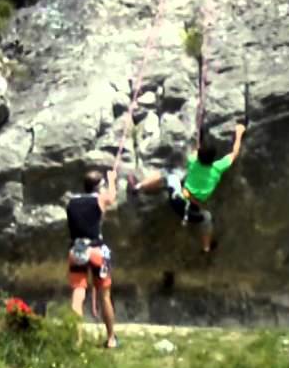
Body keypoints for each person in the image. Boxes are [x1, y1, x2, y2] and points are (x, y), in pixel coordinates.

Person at [129, 122, 246, 254]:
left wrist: (200, 136)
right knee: (207, 219)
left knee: (169, 175)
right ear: (214, 158)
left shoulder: (193, 161)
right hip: (193, 214)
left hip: (177, 201)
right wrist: (239, 134)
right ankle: (206, 248)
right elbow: (234, 153)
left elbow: (196, 149)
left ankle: (139, 187)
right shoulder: (218, 168)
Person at [66, 169, 118, 348]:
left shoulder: (71, 202)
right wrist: (112, 180)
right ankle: (111, 338)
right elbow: (111, 197)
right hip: (96, 250)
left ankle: (76, 340)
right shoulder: (100, 199)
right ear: (99, 186)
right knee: (105, 295)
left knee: (77, 295)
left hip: (77, 249)